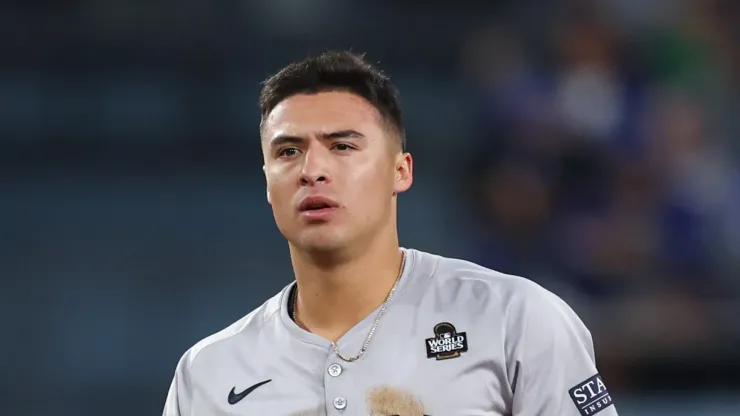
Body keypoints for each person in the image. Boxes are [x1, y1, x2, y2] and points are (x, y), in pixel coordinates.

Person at [162, 50, 618, 416]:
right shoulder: (208, 374)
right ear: (267, 181)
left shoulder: (515, 320)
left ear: (400, 171)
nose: (312, 170)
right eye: (288, 151)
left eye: (342, 146)